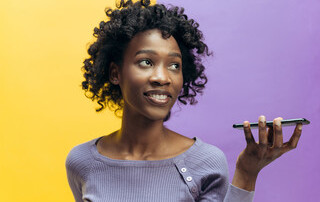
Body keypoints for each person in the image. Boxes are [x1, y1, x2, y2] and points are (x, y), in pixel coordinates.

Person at [65, 1, 303, 201]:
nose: (162, 77)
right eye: (146, 62)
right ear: (115, 73)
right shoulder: (83, 162)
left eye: (174, 65)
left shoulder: (205, 162)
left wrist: (247, 173)